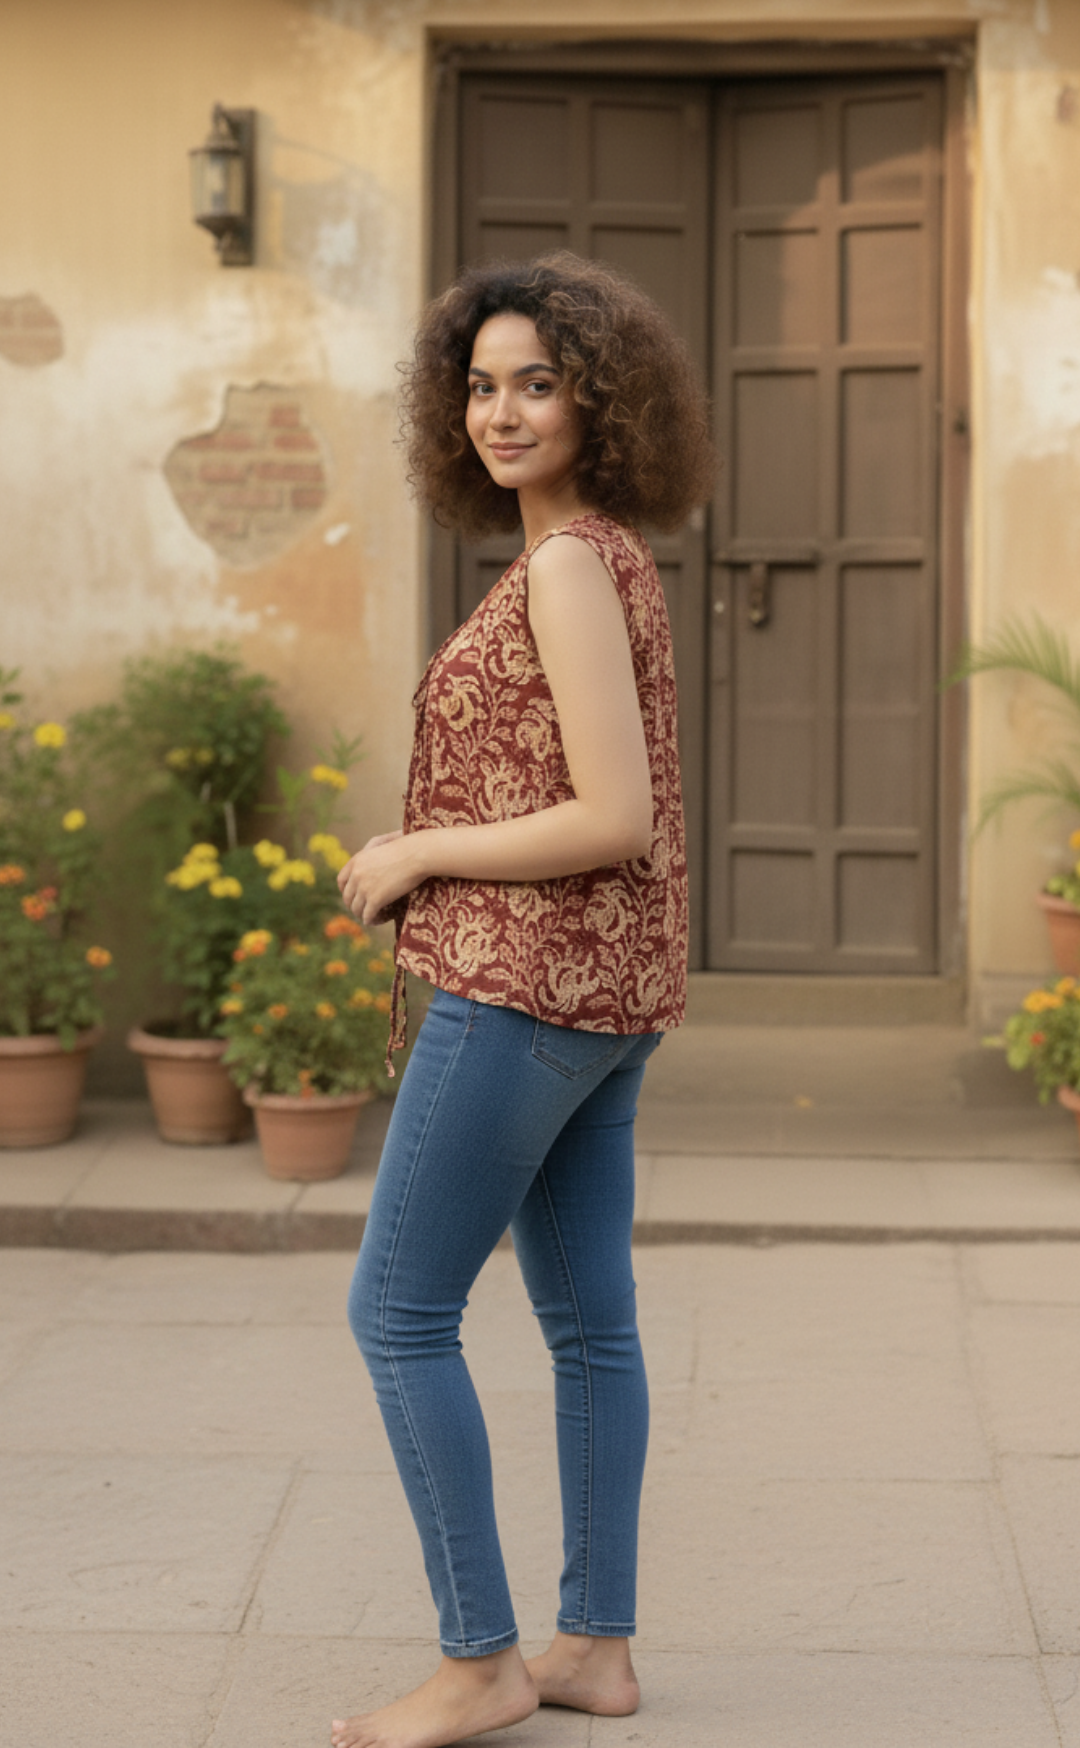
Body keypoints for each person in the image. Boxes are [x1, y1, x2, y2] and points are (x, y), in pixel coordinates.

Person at [332, 251, 714, 1748]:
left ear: (598, 402)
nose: (501, 411)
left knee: (397, 1312)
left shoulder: (565, 567)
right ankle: (596, 1650)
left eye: (537, 383)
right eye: (481, 385)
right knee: (587, 1322)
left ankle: (482, 1660)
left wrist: (415, 850)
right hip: (608, 997)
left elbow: (613, 811)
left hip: (527, 989)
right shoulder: (601, 554)